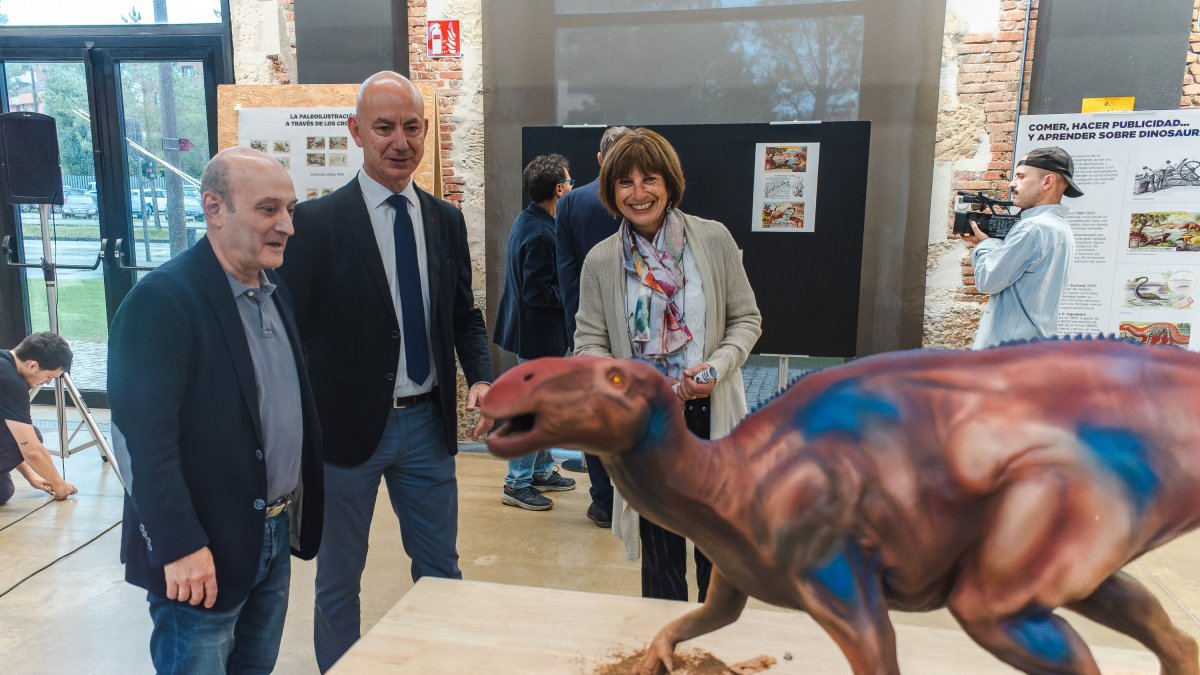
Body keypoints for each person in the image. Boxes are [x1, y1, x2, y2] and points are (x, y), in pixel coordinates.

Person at [276, 70, 493, 672]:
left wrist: (479, 377)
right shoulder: (316, 225)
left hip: (427, 427)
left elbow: (463, 315)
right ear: (356, 132)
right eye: (384, 127)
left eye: (411, 127)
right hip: (345, 436)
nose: (400, 141)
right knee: (340, 578)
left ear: (425, 131)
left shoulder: (444, 221)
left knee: (441, 571)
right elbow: (289, 335)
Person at [108, 146, 323, 673]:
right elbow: (141, 442)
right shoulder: (163, 301)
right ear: (214, 207)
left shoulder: (274, 292)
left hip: (268, 533)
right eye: (268, 209)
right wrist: (179, 545)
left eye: (290, 210)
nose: (287, 225)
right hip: (200, 547)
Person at [574, 127, 762, 602]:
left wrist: (717, 367)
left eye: (649, 179)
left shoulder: (712, 240)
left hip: (711, 418)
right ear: (611, 191)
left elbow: (746, 318)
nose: (638, 194)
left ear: (670, 183)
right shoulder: (601, 261)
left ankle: (713, 648)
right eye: (625, 183)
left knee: (716, 551)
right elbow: (587, 344)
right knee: (660, 559)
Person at [492, 154, 578, 511]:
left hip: (531, 332)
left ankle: (541, 469)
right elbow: (536, 292)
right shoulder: (541, 234)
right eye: (570, 182)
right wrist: (572, 294)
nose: (573, 186)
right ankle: (517, 483)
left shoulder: (529, 220)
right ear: (559, 189)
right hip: (538, 336)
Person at [555, 125, 630, 528]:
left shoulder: (571, 204)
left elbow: (566, 274)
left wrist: (576, 333)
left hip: (590, 327)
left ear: (600, 158)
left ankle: (603, 501)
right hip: (640, 331)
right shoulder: (646, 199)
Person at [961, 146, 1081, 349]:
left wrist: (984, 244)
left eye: (1021, 177)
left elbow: (987, 280)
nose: (1011, 184)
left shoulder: (1033, 228)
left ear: (1047, 181)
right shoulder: (1060, 228)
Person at [0, 332, 77, 505]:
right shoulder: (11, 382)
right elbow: (30, 449)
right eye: (49, 376)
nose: (48, 382)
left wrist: (31, 475)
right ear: (33, 365)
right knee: (33, 435)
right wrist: (59, 485)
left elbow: (7, 431)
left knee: (3, 492)